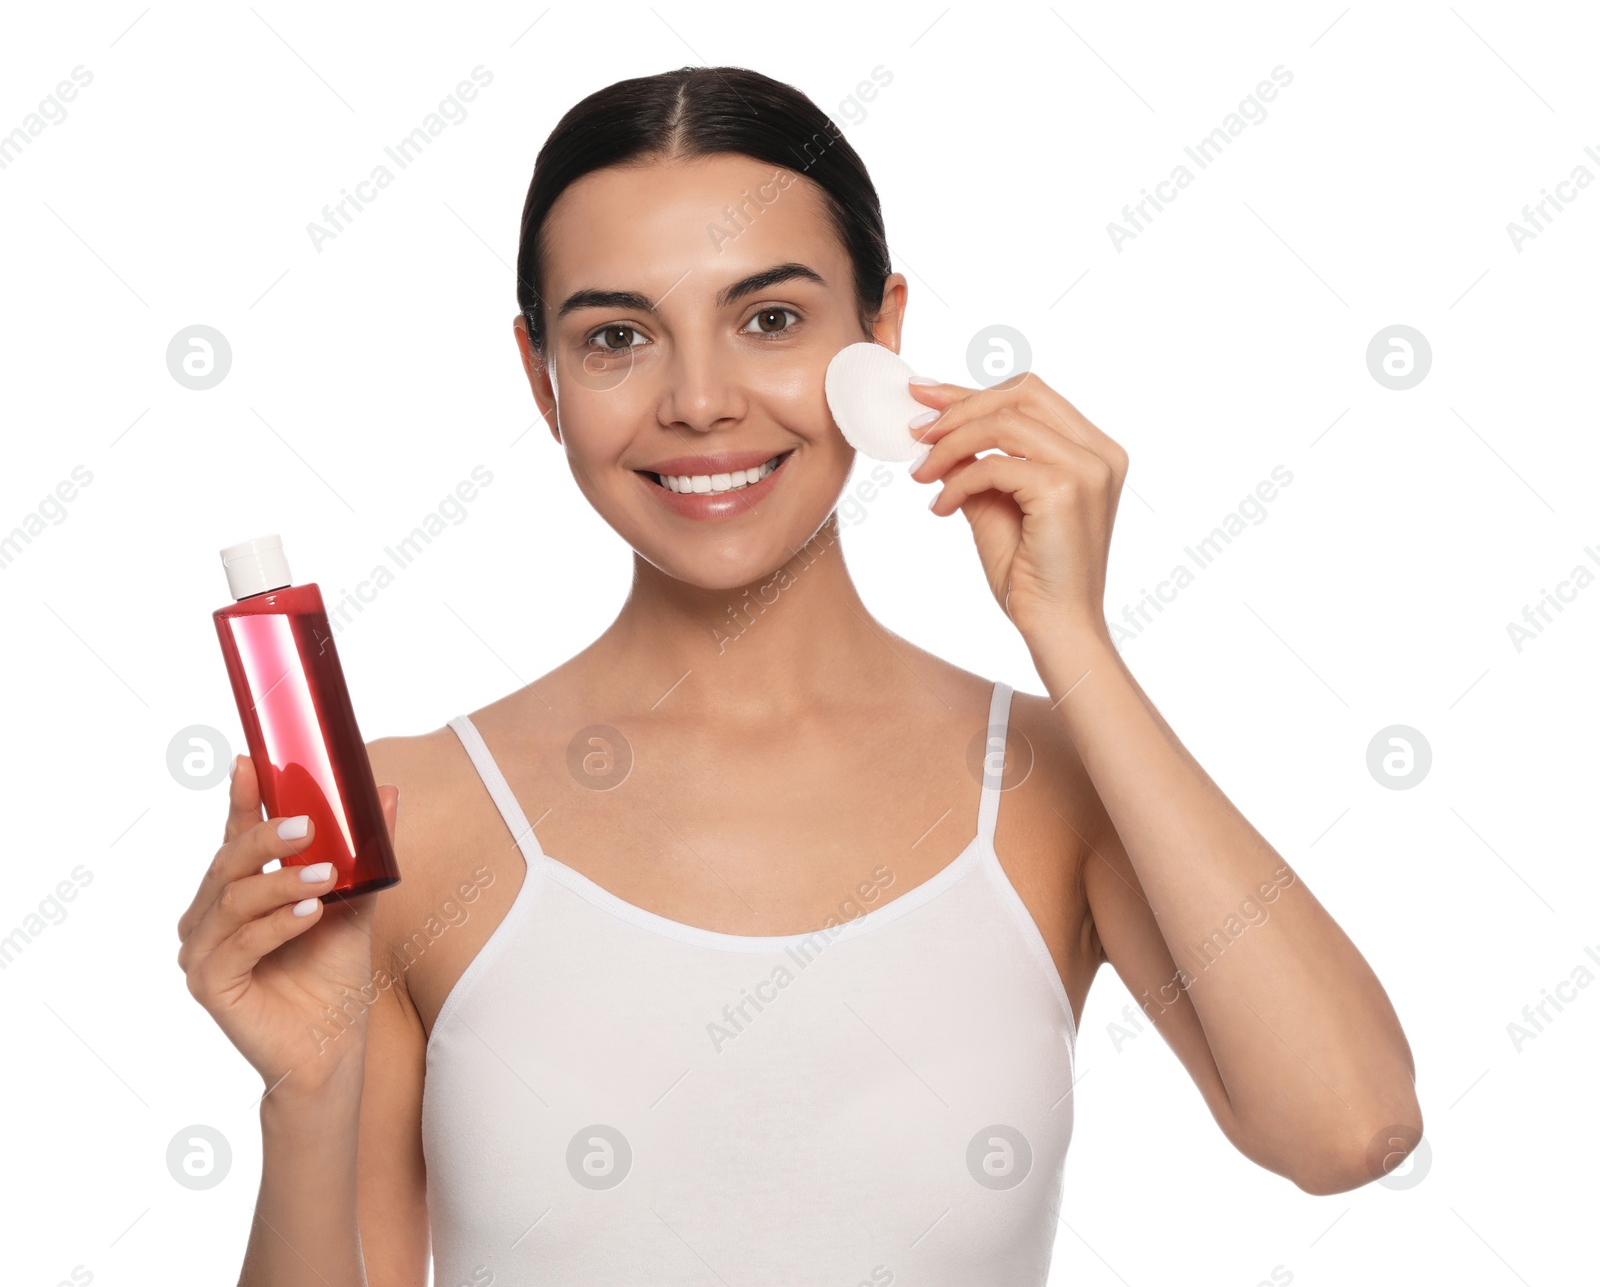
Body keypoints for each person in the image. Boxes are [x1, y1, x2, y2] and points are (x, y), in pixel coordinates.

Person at [178, 66, 1422, 1285]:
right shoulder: (409, 822)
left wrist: (1073, 637)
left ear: (881, 335)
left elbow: (1347, 1128)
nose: (701, 400)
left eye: (769, 318)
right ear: (540, 379)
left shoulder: (1053, 786)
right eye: (617, 337)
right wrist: (305, 1093)